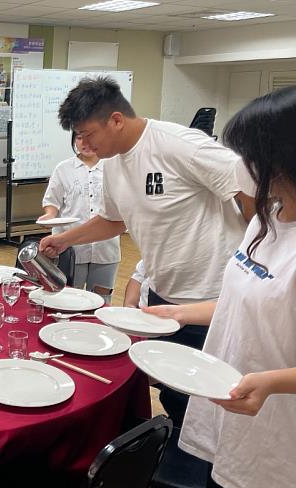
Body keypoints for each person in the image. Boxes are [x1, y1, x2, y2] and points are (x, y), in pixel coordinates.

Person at [38, 76, 253, 425]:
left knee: (212, 402)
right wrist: (65, 239)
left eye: (89, 134)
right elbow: (113, 220)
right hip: (163, 293)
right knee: (172, 390)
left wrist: (258, 253)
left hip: (211, 296)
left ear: (117, 120)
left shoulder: (180, 145)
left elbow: (249, 188)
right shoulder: (114, 163)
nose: (84, 144)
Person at [145, 85, 296, 488]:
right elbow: (242, 301)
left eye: (248, 156)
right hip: (233, 406)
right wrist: (176, 313)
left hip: (278, 425)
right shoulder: (266, 221)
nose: (240, 166)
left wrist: (273, 382)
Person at [40, 132, 120, 297]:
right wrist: (49, 215)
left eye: (90, 137)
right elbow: (52, 201)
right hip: (70, 246)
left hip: (106, 247)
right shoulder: (63, 168)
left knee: (101, 299)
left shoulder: (113, 166)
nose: (85, 143)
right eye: (79, 138)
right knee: (69, 296)